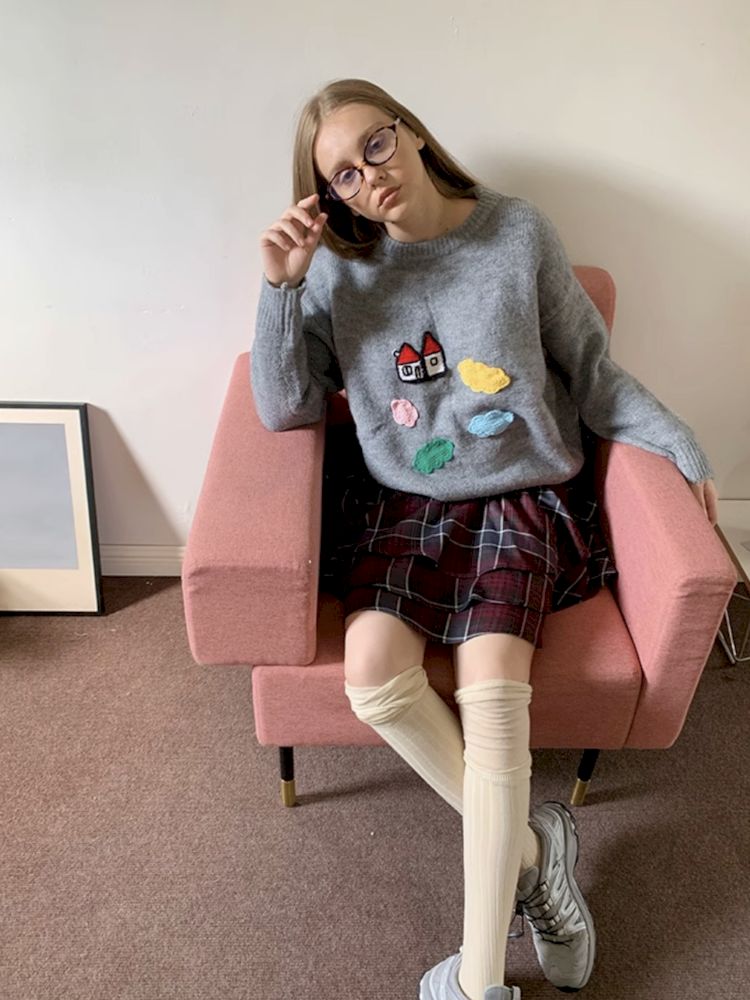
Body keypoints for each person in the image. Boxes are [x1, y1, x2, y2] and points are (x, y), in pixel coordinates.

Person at [251, 78, 719, 1000]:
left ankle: (477, 984)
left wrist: (678, 440)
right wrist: (280, 286)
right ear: (329, 196)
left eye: (375, 146)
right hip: (407, 504)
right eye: (342, 176)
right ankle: (539, 859)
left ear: (411, 133)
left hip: (522, 497)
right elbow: (285, 406)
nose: (369, 177)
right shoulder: (341, 271)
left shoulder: (516, 232)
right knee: (372, 679)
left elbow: (590, 370)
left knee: (495, 701)